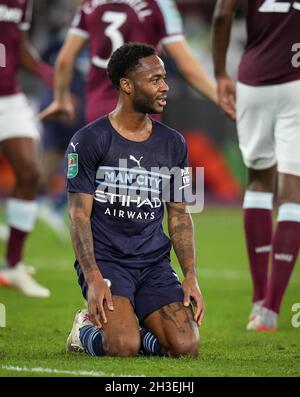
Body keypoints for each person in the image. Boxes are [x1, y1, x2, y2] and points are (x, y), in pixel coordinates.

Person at [65, 43, 205, 358]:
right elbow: (78, 216)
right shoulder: (88, 140)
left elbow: (181, 213)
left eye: (164, 77)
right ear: (127, 86)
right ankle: (83, 328)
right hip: (108, 262)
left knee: (186, 346)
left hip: (154, 263)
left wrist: (191, 275)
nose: (165, 86)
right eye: (155, 79)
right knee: (121, 346)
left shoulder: (174, 143)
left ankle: (134, 325)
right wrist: (92, 277)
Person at [212, 0, 300, 331]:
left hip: (254, 80)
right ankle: (272, 310)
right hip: (297, 80)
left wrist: (220, 72)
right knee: (293, 189)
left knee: (259, 182)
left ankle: (258, 299)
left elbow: (222, 14)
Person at [39, 0, 217, 124]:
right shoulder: (160, 4)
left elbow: (64, 59)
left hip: (98, 109)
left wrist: (60, 99)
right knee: (138, 173)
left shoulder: (90, 4)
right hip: (140, 109)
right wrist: (222, 100)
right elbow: (187, 66)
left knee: (102, 174)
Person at [0, 0, 51, 297]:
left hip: (9, 98)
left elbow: (19, 46)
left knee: (30, 173)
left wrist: (52, 75)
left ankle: (13, 265)